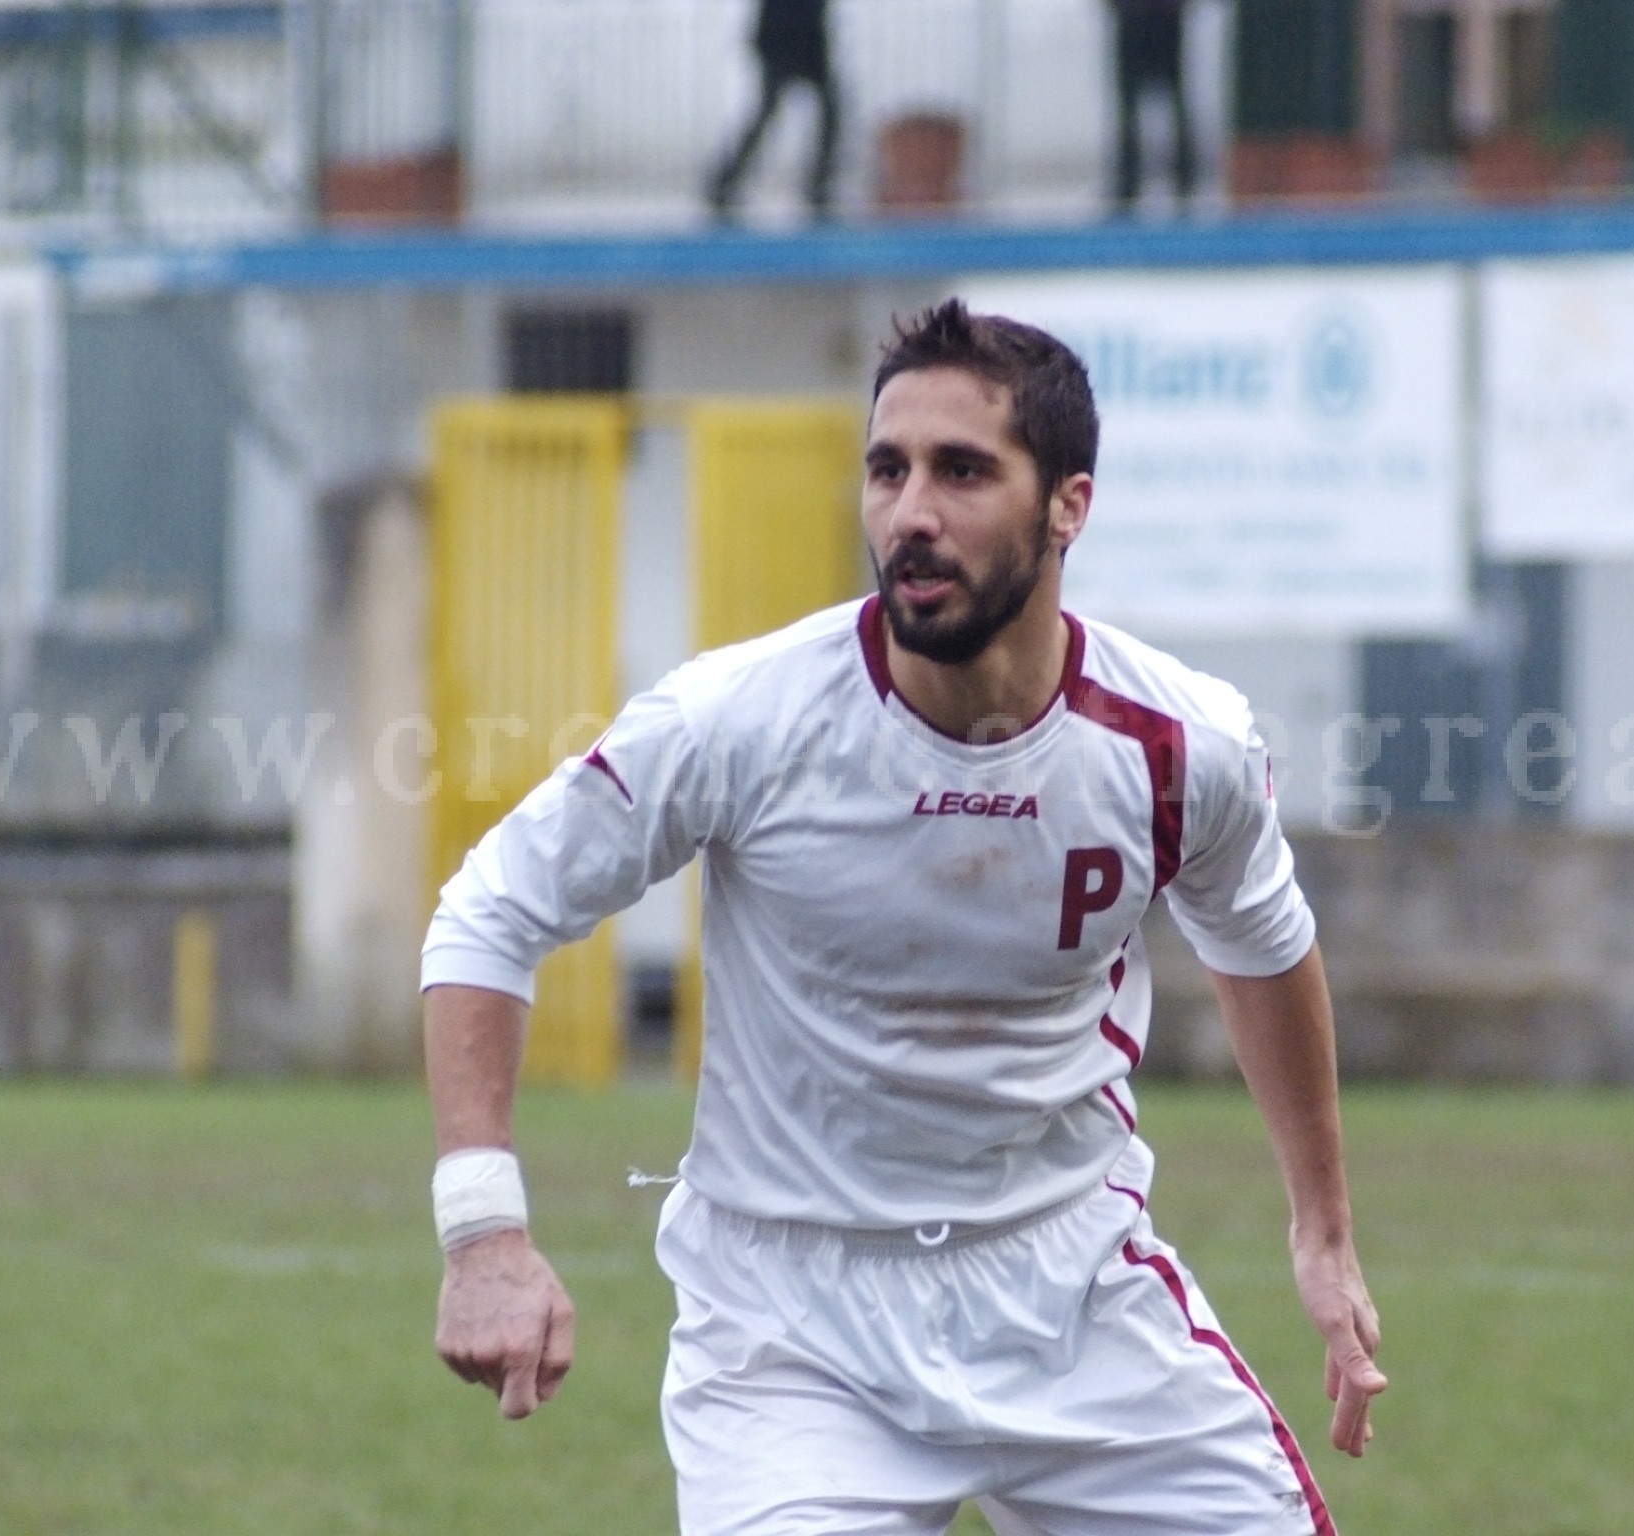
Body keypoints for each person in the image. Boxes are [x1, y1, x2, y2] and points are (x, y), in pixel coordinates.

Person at [421, 300, 1387, 1535]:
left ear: (1068, 506)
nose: (911, 512)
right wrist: (483, 1231)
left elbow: (1261, 941)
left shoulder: (1177, 744)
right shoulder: (740, 720)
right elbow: (488, 915)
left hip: (1072, 1292)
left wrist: (1323, 1230)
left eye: (963, 471)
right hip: (790, 1328)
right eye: (888, 469)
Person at [707, 0, 840, 222]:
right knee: (768, 113)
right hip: (782, 39)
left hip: (807, 41)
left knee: (828, 114)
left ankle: (819, 184)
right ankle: (725, 183)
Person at [1109, 0, 1196, 214]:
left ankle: (1181, 178)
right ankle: (1132, 180)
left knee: (1160, 100)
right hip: (1150, 13)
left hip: (1155, 14)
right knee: (1131, 104)